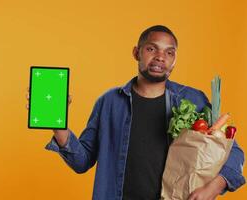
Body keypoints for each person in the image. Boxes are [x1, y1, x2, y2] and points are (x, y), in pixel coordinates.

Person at [26, 25, 245, 200]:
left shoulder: (193, 100)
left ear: (174, 60)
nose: (160, 57)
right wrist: (58, 123)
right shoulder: (109, 102)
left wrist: (214, 188)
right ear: (136, 52)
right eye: (152, 49)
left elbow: (234, 152)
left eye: (169, 53)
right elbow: (81, 162)